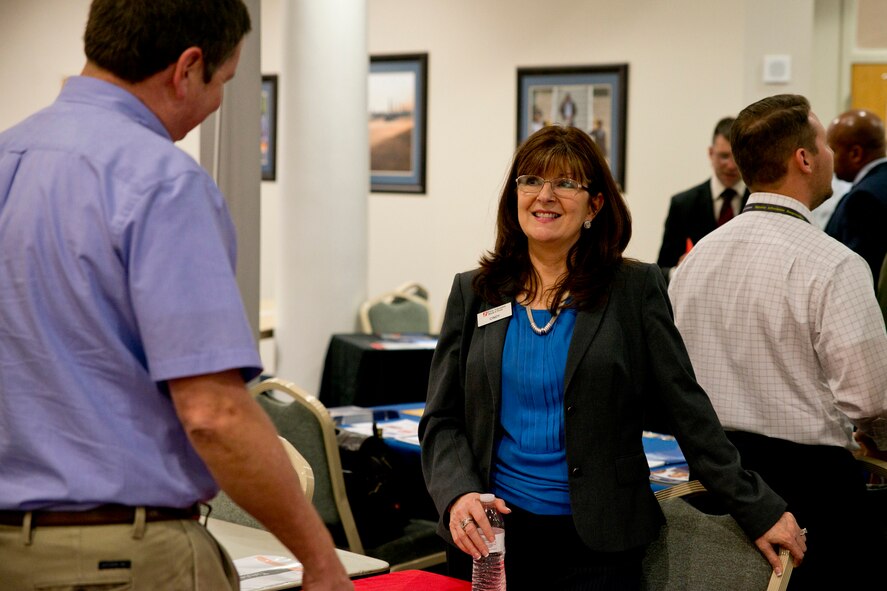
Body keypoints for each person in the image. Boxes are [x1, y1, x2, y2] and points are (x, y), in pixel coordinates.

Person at [0, 2, 351, 590]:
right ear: (188, 68)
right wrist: (320, 560)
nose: (217, 102)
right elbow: (213, 414)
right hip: (122, 560)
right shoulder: (162, 183)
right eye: (225, 81)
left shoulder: (8, 155)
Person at [419, 125, 805, 591]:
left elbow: (688, 411)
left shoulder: (633, 290)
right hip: (489, 539)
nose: (545, 196)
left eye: (565, 183)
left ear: (595, 205)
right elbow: (442, 419)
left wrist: (756, 507)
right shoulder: (475, 291)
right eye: (530, 181)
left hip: (598, 546)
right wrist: (457, 495)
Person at [668, 94, 887, 590]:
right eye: (825, 144)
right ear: (804, 159)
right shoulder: (834, 264)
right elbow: (872, 398)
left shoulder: (697, 258)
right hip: (813, 494)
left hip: (715, 483)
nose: (831, 155)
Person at [656, 117, 749, 282]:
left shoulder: (758, 201)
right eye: (724, 156)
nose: (731, 165)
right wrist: (679, 270)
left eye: (737, 156)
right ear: (711, 153)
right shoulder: (683, 204)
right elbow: (661, 272)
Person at [824, 109, 887, 287]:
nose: (830, 159)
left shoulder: (863, 199)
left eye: (833, 150)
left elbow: (856, 274)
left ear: (855, 154)